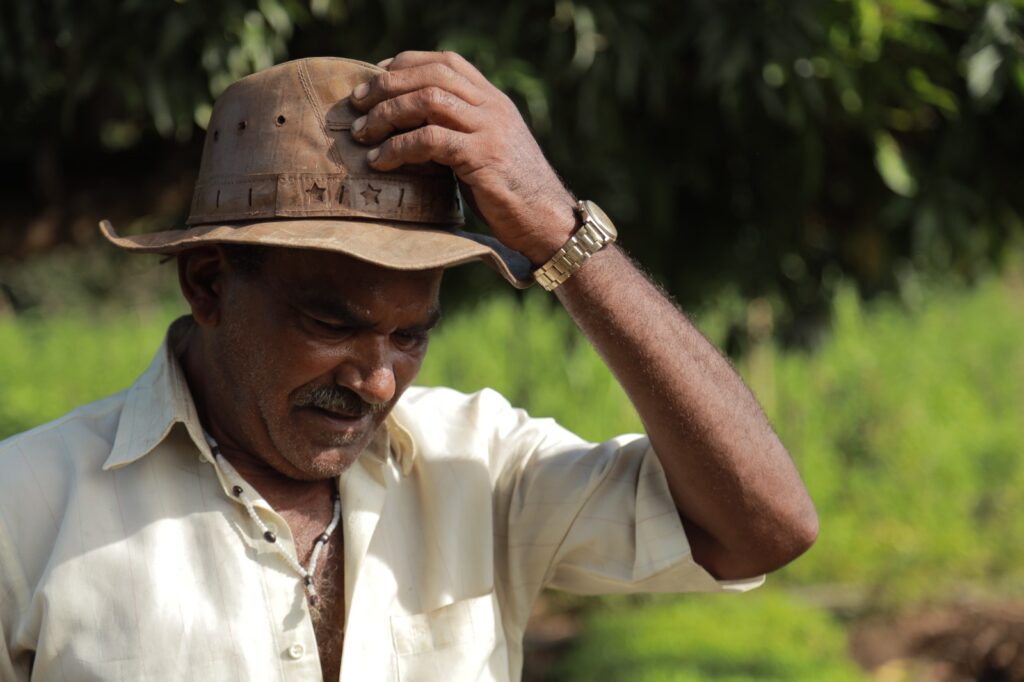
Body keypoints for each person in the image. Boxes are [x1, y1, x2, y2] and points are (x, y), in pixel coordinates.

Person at [0, 53, 817, 681]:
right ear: (209, 284)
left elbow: (765, 530)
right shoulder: (25, 510)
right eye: (332, 324)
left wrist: (560, 233)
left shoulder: (481, 464)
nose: (379, 381)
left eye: (410, 336)